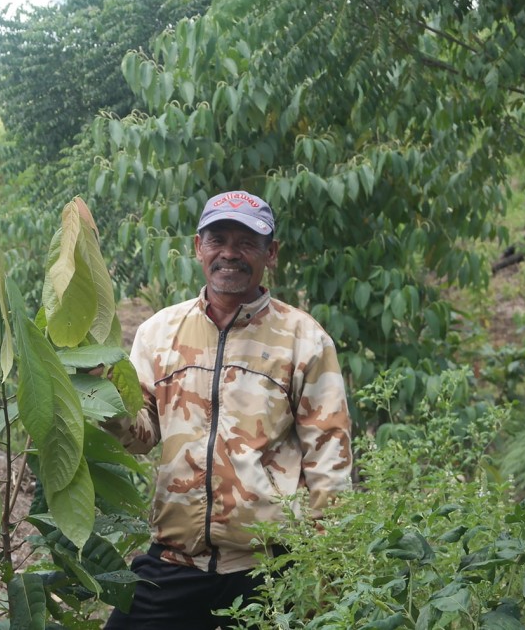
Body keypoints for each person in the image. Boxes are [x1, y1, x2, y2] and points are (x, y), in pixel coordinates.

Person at [102, 190, 353, 630]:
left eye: (247, 242)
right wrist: (100, 396)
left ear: (270, 253)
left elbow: (329, 460)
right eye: (218, 239)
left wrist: (325, 567)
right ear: (199, 247)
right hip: (175, 562)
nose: (230, 254)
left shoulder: (303, 339)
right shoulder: (158, 333)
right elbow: (140, 436)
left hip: (269, 568)